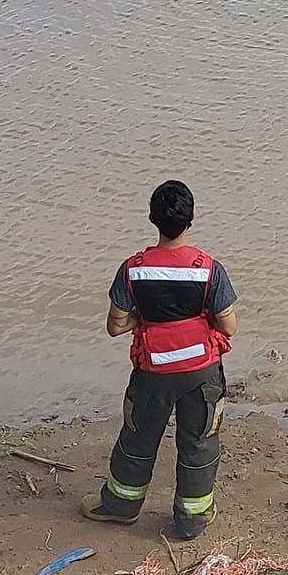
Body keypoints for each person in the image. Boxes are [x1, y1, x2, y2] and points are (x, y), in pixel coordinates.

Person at [80, 180, 237, 540]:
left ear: (152, 219)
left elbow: (115, 327)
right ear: (191, 219)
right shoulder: (209, 269)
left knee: (137, 439)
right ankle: (191, 519)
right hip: (201, 374)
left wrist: (147, 319)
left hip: (152, 373)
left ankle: (121, 507)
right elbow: (229, 325)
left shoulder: (133, 269)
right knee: (199, 442)